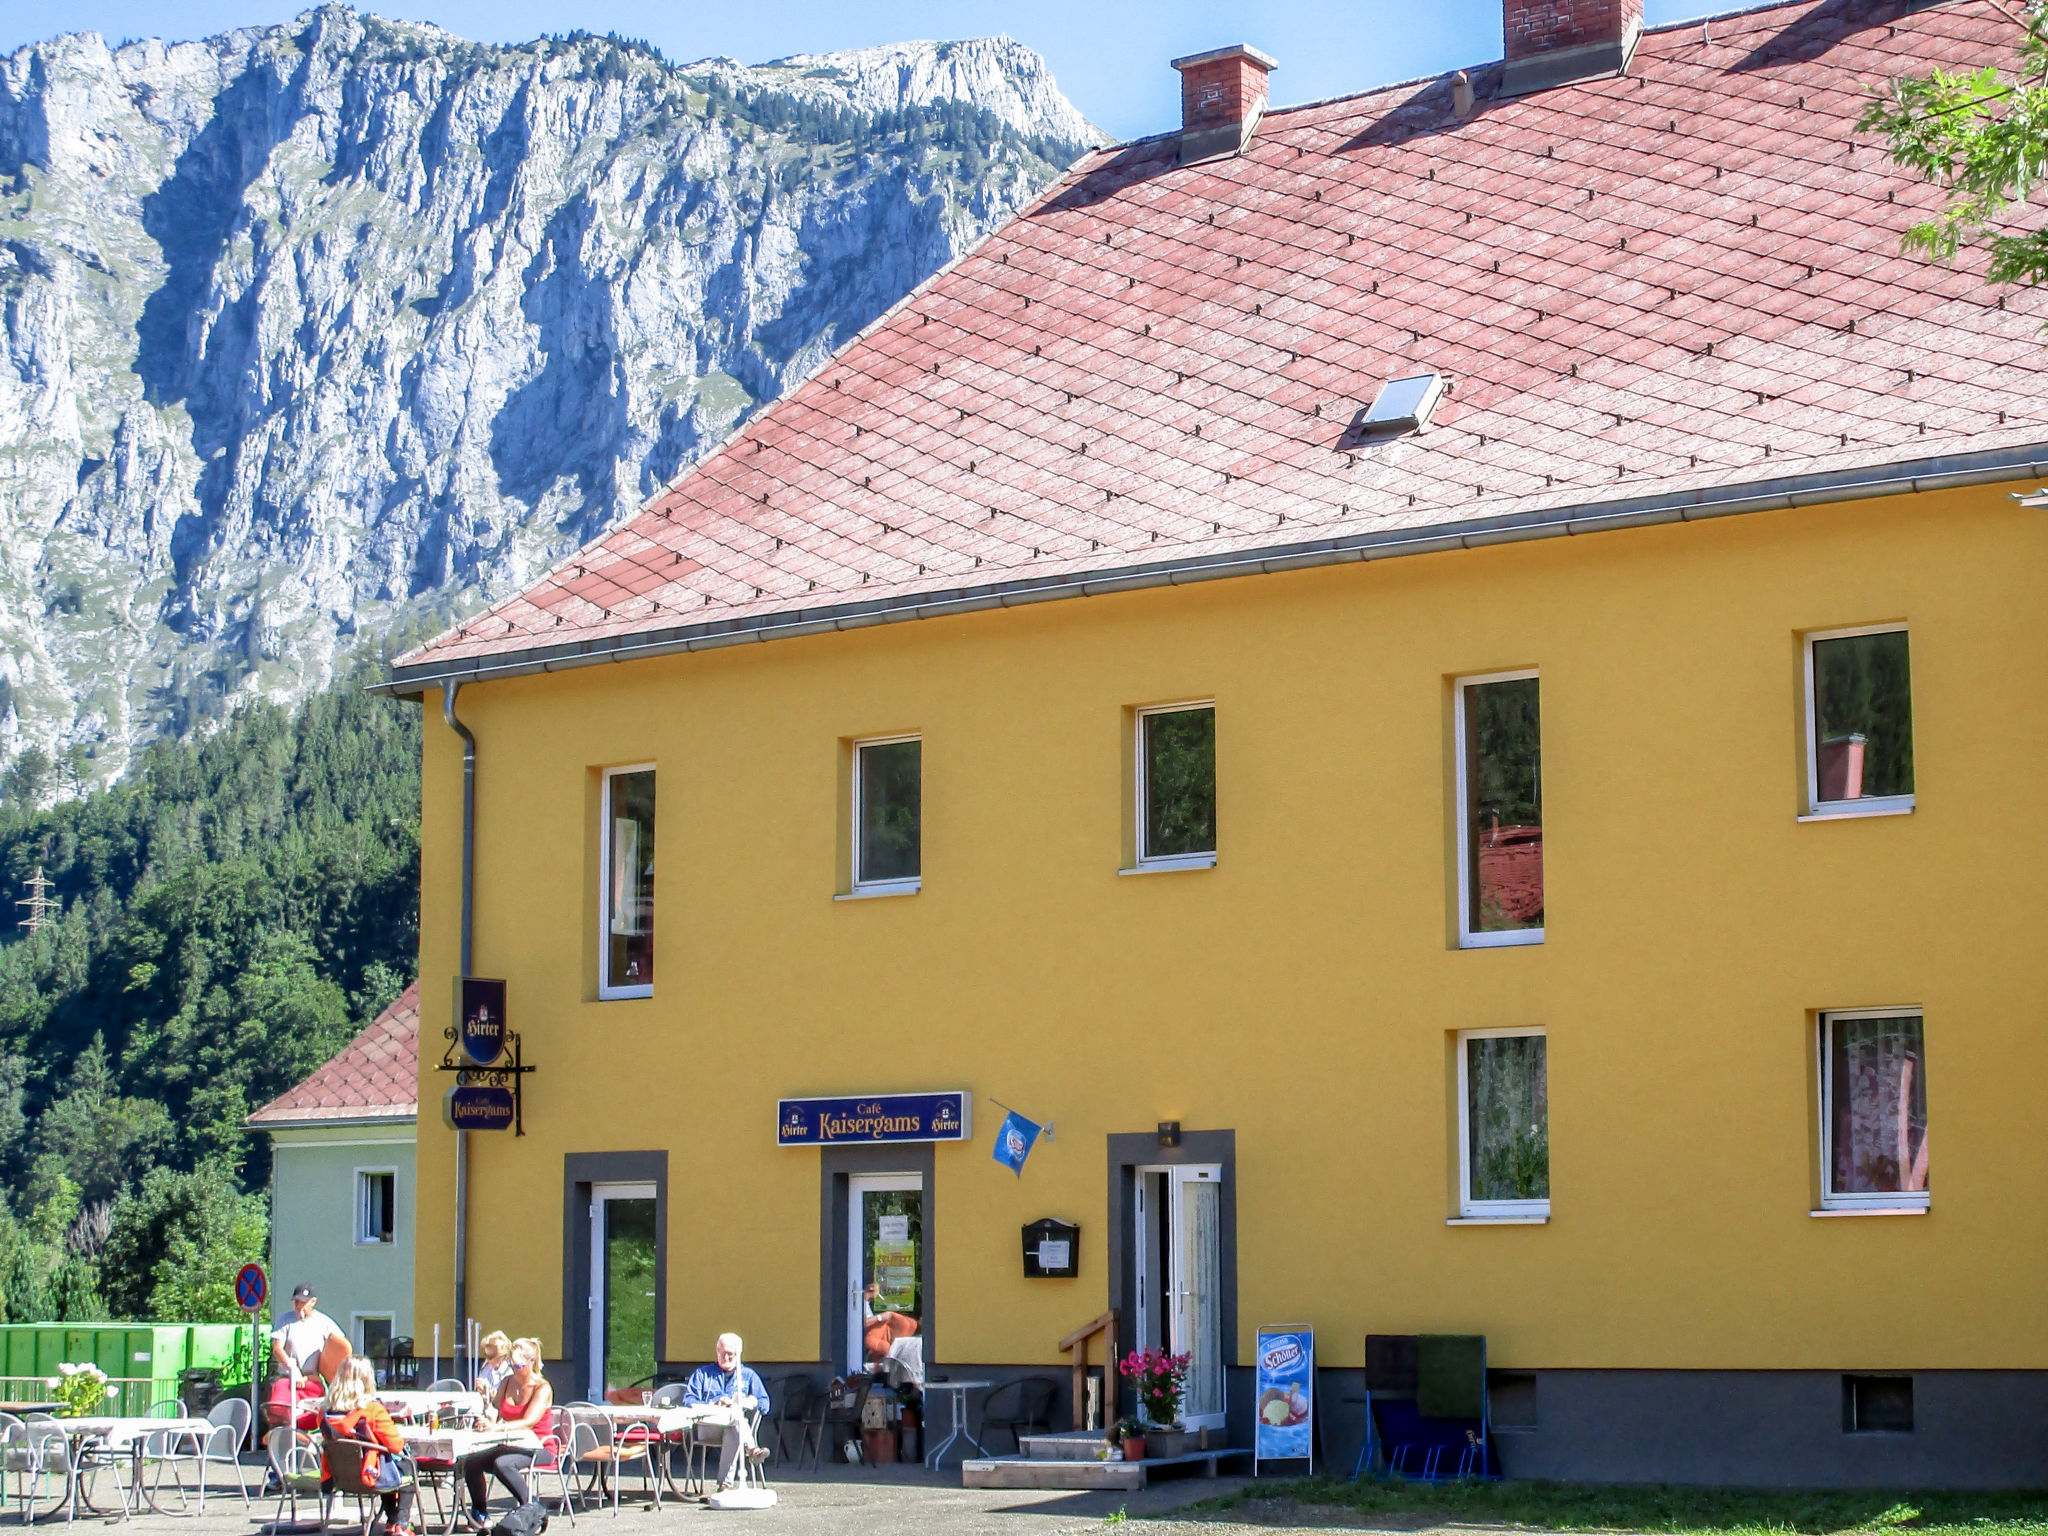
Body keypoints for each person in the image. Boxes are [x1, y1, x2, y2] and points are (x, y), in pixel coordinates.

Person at [461, 1337, 553, 1531]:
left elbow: (529, 1421)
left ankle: (533, 1508)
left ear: (532, 1362)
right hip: (510, 1442)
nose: (515, 1369)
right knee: (470, 1461)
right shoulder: (507, 1381)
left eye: (519, 1365)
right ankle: (480, 1514)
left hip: (539, 1445)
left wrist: (496, 1428)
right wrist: (488, 1418)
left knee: (502, 1463)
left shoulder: (542, 1388)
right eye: (512, 1364)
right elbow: (495, 1409)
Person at [322, 1357, 418, 1536]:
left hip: (338, 1476)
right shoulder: (372, 1409)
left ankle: (392, 1519)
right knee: (407, 1463)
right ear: (368, 1380)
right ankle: (401, 1523)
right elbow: (396, 1445)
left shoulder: (324, 1412)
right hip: (370, 1474)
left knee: (386, 1462)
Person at [680, 1334, 771, 1496]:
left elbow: (765, 1404)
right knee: (736, 1418)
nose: (726, 1357)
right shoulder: (703, 1374)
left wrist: (751, 1401)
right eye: (722, 1353)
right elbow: (688, 1400)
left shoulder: (748, 1375)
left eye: (731, 1354)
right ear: (716, 1351)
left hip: (734, 1431)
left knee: (734, 1421)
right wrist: (713, 1403)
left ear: (739, 1354)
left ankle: (724, 1487)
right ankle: (752, 1449)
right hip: (708, 1428)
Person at [273, 1284, 349, 1381]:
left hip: (313, 1379)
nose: (299, 1305)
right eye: (296, 1302)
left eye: (303, 1302)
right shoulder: (285, 1319)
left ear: (313, 1302)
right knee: (279, 1396)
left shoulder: (324, 1322)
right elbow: (277, 1348)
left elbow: (339, 1346)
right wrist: (292, 1368)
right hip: (287, 1378)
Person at [474, 1332, 512, 1398]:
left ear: (502, 1355)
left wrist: (490, 1392)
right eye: (486, 1355)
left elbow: (507, 1400)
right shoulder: (487, 1368)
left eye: (490, 1356)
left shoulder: (510, 1372)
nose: (487, 1360)